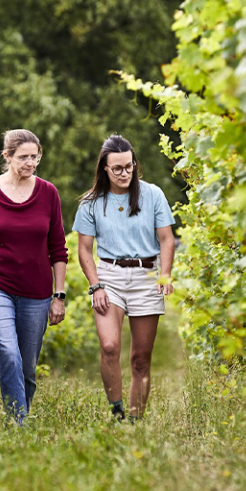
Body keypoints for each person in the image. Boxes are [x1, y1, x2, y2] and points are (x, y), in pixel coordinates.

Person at [0, 129, 68, 425]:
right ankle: (18, 425)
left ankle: (19, 412)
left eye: (35, 157)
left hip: (36, 291)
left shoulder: (48, 193)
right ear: (7, 157)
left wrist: (59, 296)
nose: (30, 163)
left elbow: (58, 249)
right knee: (8, 353)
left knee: (27, 367)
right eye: (23, 157)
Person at [72, 135, 175, 423]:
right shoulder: (91, 204)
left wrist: (164, 275)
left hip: (146, 276)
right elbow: (83, 249)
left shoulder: (153, 195)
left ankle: (134, 420)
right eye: (116, 168)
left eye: (128, 166)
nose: (124, 173)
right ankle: (116, 411)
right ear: (104, 168)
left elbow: (166, 239)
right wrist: (96, 286)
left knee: (140, 358)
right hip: (109, 275)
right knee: (109, 346)